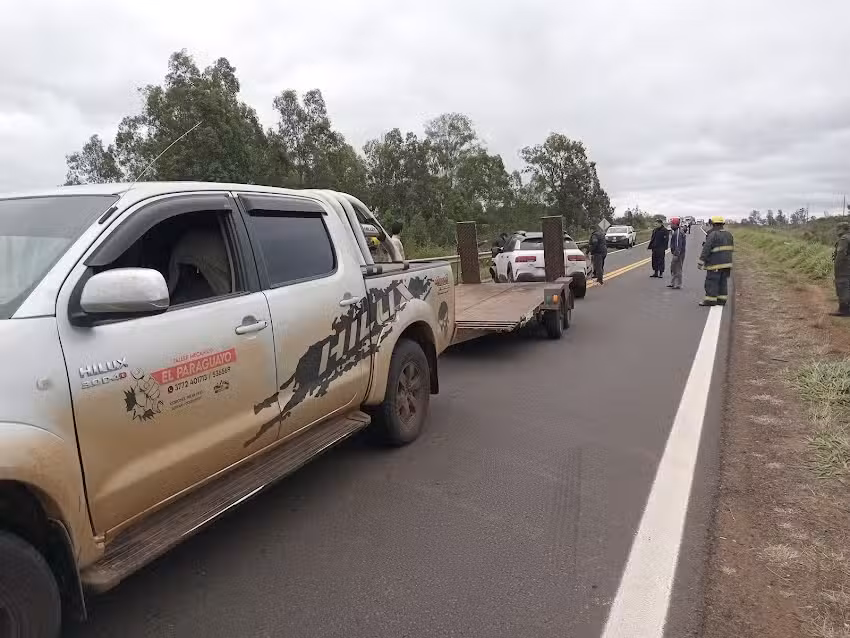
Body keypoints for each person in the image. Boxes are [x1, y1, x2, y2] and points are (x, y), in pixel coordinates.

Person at [697, 216, 734, 306]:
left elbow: (706, 249)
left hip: (715, 264)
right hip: (727, 264)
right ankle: (721, 300)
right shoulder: (729, 234)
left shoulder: (713, 234)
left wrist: (701, 262)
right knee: (723, 282)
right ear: (722, 224)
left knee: (711, 282)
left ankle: (710, 300)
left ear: (713, 224)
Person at [831, 221, 850, 316]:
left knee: (842, 285)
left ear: (842, 229)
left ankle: (844, 309)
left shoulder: (844, 239)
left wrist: (836, 267)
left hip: (844, 267)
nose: (837, 231)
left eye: (838, 228)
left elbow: (841, 254)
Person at [667, 217, 686, 290]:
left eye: (672, 224)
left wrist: (676, 254)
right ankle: (673, 283)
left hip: (678, 254)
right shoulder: (676, 231)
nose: (671, 225)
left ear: (675, 224)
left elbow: (678, 245)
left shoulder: (678, 232)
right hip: (678, 253)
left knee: (677, 268)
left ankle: (678, 284)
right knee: (673, 268)